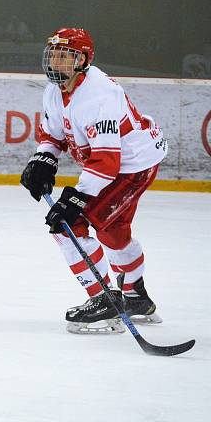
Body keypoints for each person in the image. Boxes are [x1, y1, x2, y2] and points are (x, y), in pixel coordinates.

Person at [20, 28, 168, 334]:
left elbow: (106, 161)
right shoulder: (54, 90)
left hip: (133, 165)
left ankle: (103, 300)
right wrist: (43, 158)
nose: (56, 62)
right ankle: (136, 298)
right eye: (54, 55)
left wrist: (77, 197)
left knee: (68, 224)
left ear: (83, 60)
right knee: (113, 234)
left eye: (65, 56)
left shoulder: (98, 96)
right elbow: (53, 134)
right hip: (117, 165)